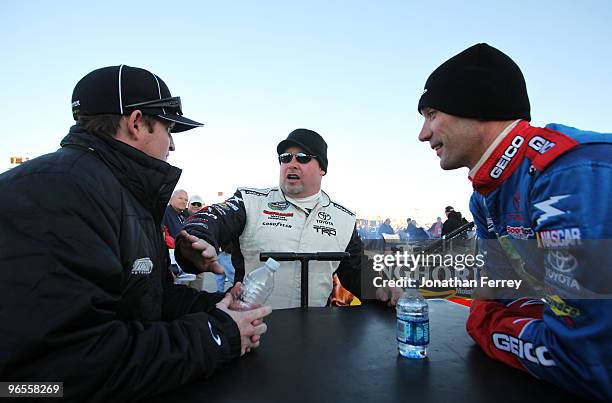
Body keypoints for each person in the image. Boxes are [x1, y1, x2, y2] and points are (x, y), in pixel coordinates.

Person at [0, 65, 271, 401]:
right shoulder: (56, 191)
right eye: (169, 129)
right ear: (137, 122)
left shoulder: (119, 193)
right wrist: (217, 334)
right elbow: (56, 374)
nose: (172, 146)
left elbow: (142, 300)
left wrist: (218, 307)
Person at [417, 43, 612, 400]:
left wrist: (489, 326)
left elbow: (586, 361)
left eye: (430, 114)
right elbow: (502, 293)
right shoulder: (484, 196)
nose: (423, 134)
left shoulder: (567, 173)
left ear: (474, 107)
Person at [176, 128, 364, 309]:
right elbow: (214, 216)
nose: (292, 163)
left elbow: (360, 274)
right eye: (285, 158)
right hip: (252, 328)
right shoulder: (250, 201)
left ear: (322, 168)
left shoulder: (344, 219)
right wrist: (198, 237)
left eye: (302, 158)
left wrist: (383, 287)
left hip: (315, 331)